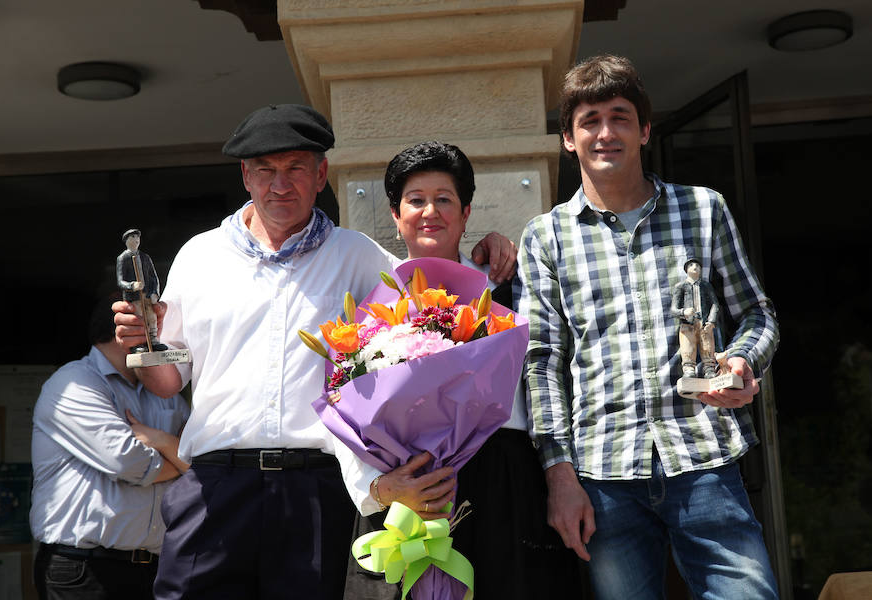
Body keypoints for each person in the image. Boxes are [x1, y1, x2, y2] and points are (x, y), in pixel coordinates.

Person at [112, 105, 517, 600]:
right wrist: (143, 343)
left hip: (316, 491)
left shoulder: (359, 256)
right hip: (214, 487)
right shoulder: (200, 256)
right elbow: (170, 379)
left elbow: (429, 306)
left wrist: (490, 254)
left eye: (295, 168)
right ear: (245, 176)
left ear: (321, 175)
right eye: (265, 170)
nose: (279, 184)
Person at [517, 55, 781, 599]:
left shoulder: (704, 209)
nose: (605, 133)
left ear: (644, 130)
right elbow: (541, 364)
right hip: (603, 471)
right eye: (589, 121)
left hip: (704, 455)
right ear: (568, 139)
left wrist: (741, 361)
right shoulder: (545, 237)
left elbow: (757, 314)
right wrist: (558, 475)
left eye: (620, 117)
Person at [342, 141, 582, 600]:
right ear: (395, 215)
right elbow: (345, 409)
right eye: (415, 200)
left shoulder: (506, 291)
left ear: (466, 212)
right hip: (410, 484)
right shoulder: (371, 308)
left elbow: (544, 378)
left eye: (444, 199)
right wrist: (379, 487)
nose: (430, 211)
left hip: (502, 482)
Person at [31, 295, 189, 600]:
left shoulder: (164, 394)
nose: (165, 340)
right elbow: (129, 463)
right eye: (155, 328)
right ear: (123, 329)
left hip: (155, 570)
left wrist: (160, 440)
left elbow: (202, 463)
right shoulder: (74, 382)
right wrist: (179, 458)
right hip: (85, 568)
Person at [117, 229, 166, 353]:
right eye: (132, 237)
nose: (136, 240)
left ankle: (153, 340)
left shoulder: (145, 257)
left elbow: (153, 277)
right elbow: (120, 281)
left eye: (137, 237)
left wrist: (154, 292)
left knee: (151, 317)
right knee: (138, 319)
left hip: (147, 294)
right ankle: (139, 343)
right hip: (134, 297)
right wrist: (132, 285)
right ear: (126, 240)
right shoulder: (123, 258)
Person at [671, 258, 720, 378]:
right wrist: (684, 312)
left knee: (707, 347)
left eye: (697, 265)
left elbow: (715, 304)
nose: (695, 267)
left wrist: (711, 321)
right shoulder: (680, 286)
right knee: (687, 348)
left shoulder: (706, 286)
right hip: (687, 324)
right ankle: (688, 369)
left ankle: (709, 369)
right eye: (691, 265)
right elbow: (673, 310)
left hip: (704, 323)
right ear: (686, 269)